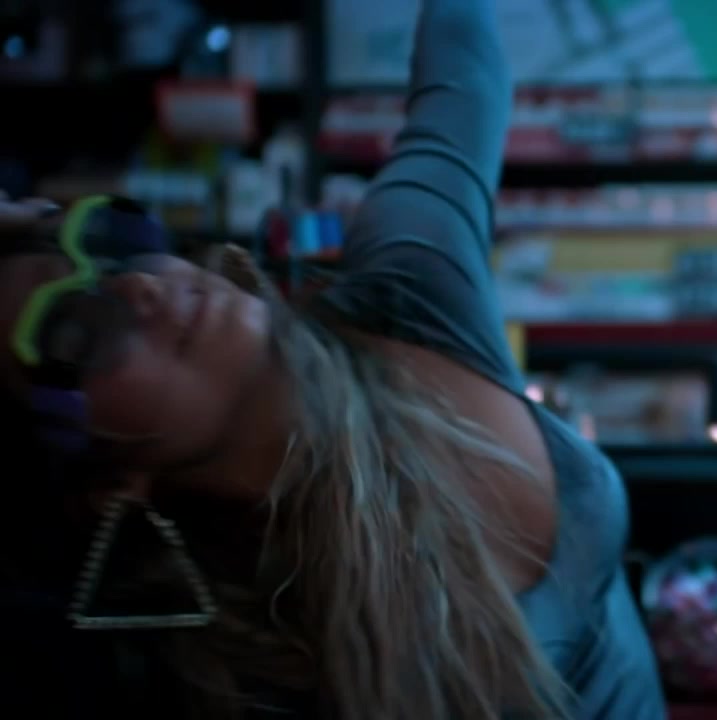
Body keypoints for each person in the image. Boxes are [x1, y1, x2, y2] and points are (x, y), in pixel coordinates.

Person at [0, 0, 665, 717]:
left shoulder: (407, 300)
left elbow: (463, 80)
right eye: (75, 330)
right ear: (106, 484)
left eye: (110, 245)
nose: (139, 287)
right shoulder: (227, 671)